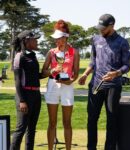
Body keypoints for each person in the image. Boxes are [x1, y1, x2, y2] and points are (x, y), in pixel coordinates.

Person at [78, 14, 130, 150]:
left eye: (103, 28)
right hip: (96, 85)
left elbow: (127, 65)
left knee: (111, 121)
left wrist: (116, 73)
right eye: (99, 27)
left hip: (113, 87)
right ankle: (91, 148)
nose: (100, 30)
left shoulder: (122, 42)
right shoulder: (95, 40)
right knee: (92, 119)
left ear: (112, 26)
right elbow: (92, 62)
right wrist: (85, 74)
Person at [42, 20, 79, 150]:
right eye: (55, 38)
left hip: (67, 86)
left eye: (58, 38)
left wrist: (71, 80)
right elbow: (43, 72)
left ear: (65, 37)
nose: (56, 41)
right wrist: (52, 70)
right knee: (52, 122)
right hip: (53, 84)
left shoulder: (75, 52)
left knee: (67, 122)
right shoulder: (51, 52)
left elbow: (75, 73)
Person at [10, 30, 43, 150]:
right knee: (21, 128)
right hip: (24, 96)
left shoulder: (33, 56)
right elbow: (17, 81)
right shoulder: (19, 57)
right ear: (26, 41)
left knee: (32, 129)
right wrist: (22, 101)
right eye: (35, 39)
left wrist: (48, 73)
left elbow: (34, 76)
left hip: (36, 94)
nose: (37, 41)